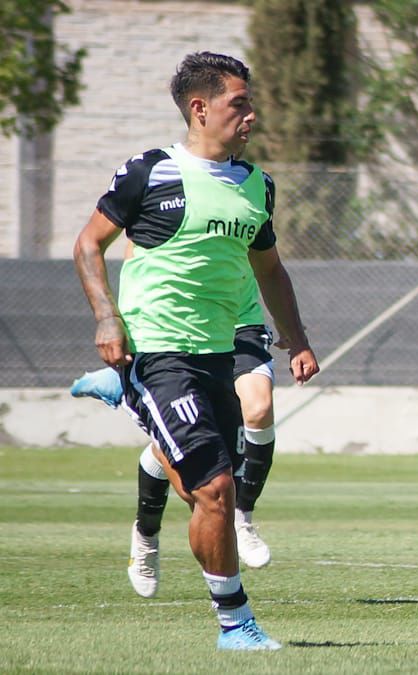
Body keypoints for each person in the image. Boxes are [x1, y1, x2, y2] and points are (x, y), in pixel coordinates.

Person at [73, 51, 318, 651]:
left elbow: (271, 270)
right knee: (214, 490)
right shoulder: (149, 173)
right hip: (158, 348)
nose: (251, 115)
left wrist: (300, 338)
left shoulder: (257, 185)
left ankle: (123, 392)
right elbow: (88, 244)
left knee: (209, 487)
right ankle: (236, 624)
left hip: (220, 354)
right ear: (200, 107)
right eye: (240, 103)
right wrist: (108, 319)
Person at [71, 271, 283, 598]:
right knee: (195, 490)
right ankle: (146, 533)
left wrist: (296, 335)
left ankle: (243, 520)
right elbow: (110, 249)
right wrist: (117, 324)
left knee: (256, 410)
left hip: (240, 326)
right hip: (179, 332)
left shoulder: (252, 217)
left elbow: (269, 261)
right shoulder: (157, 221)